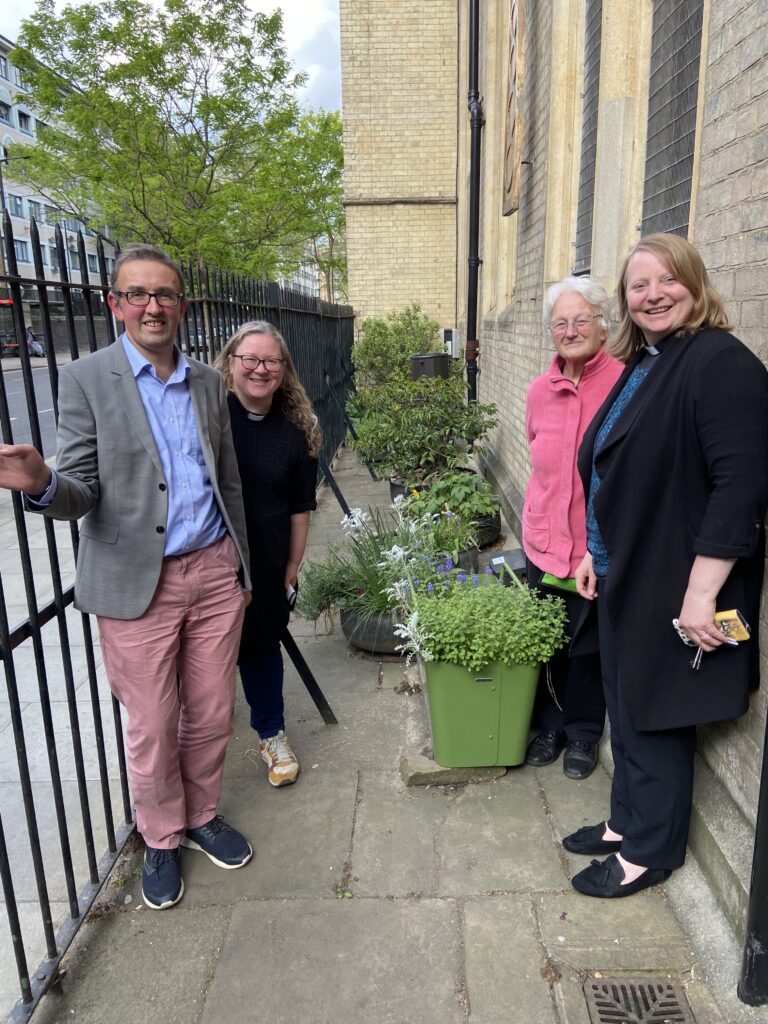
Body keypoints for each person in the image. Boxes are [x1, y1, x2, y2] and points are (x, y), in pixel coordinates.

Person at [0, 244, 254, 911]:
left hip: (214, 572)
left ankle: (200, 815)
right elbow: (80, 489)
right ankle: (161, 835)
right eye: (137, 294)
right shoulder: (88, 378)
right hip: (138, 583)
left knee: (212, 711)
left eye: (165, 294)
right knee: (153, 721)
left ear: (182, 306)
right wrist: (42, 484)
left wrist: (243, 566)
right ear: (115, 303)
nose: (152, 306)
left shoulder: (206, 381)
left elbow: (226, 480)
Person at [565, 233, 768, 897]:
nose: (653, 295)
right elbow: (609, 465)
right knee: (625, 700)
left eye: (666, 281)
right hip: (630, 565)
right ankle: (629, 821)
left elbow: (741, 485)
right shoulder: (652, 360)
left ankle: (649, 852)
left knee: (653, 708)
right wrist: (597, 552)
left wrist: (701, 593)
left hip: (678, 574)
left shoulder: (719, 363)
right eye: (638, 285)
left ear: (694, 282)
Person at [522, 277, 622, 779]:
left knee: (587, 646)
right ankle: (550, 725)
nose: (571, 330)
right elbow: (538, 457)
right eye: (560, 323)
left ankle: (583, 732)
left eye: (582, 319)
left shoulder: (625, 383)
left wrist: (599, 547)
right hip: (543, 542)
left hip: (593, 549)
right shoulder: (540, 390)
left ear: (604, 327)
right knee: (548, 639)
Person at [214, 321, 320, 787]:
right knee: (206, 657)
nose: (260, 369)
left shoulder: (299, 428)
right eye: (250, 359)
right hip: (212, 557)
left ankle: (271, 733)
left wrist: (292, 567)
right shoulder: (209, 416)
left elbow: (301, 507)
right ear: (231, 364)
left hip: (270, 556)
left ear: (284, 369)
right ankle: (203, 742)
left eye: (271, 361)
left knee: (261, 648)